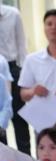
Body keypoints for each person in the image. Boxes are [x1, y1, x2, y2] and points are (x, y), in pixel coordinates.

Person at [0, 3, 29, 153]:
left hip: (12, 69)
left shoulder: (13, 14)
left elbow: (22, 45)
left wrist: (23, 74)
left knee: (19, 118)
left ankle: (26, 159)